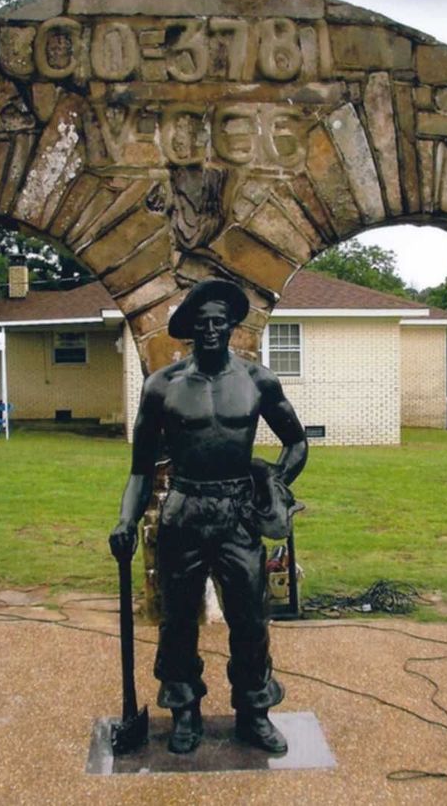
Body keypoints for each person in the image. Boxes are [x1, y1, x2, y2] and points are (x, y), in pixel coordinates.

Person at [109, 278, 308, 756]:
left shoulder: (258, 381)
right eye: (203, 324)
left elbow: (296, 441)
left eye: (220, 321)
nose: (213, 329)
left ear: (233, 326)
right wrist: (125, 520)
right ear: (190, 331)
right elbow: (139, 470)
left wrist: (274, 485)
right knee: (178, 620)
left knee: (250, 618)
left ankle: (254, 711)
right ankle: (183, 710)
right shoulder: (162, 387)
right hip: (184, 510)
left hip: (238, 513)